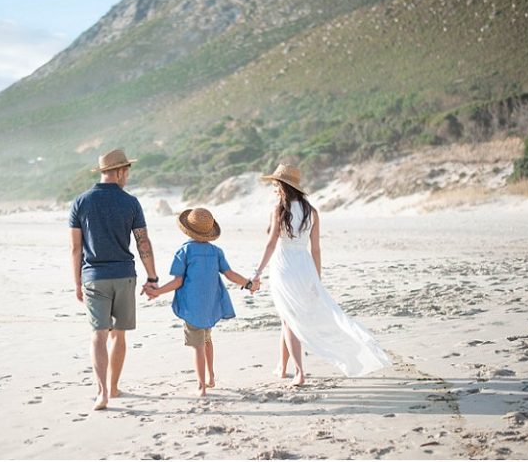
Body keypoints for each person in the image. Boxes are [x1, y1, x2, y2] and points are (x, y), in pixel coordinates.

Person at [254, 164, 390, 385]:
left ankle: (299, 372)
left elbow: (270, 244)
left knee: (289, 320)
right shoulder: (311, 211)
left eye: (275, 185)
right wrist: (316, 279)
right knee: (287, 318)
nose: (273, 188)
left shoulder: (279, 210)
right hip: (305, 267)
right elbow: (316, 249)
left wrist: (257, 272)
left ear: (284, 186)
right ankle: (282, 367)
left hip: (284, 268)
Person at [69, 149, 160, 410]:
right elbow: (143, 242)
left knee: (98, 334)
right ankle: (114, 387)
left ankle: (102, 393)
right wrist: (152, 277)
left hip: (93, 277)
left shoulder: (81, 202)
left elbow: (75, 248)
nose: (127, 176)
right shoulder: (130, 202)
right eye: (127, 171)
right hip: (124, 276)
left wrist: (77, 283)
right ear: (119, 172)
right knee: (118, 335)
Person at [144, 208, 257, 396]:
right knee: (207, 340)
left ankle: (201, 386)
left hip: (192, 306)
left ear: (187, 229)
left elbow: (177, 281)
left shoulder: (184, 251)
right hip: (210, 305)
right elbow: (230, 274)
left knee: (197, 346)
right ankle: (210, 377)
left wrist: (158, 291)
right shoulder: (216, 251)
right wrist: (249, 283)